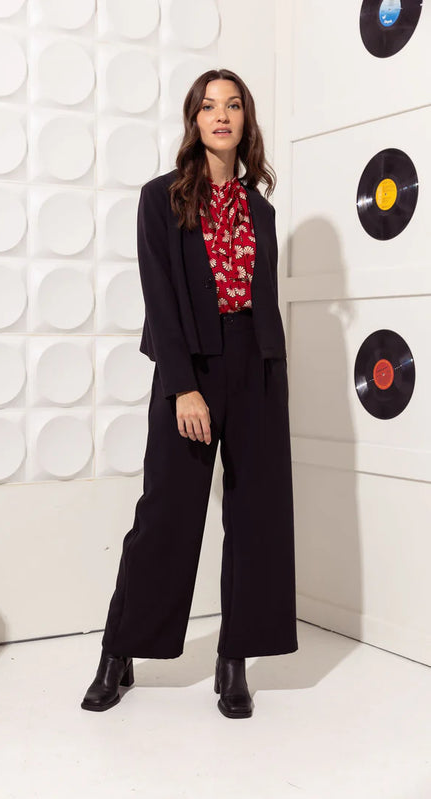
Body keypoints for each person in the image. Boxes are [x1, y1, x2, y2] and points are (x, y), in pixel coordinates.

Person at [81, 68, 298, 719]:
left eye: (233, 106)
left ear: (245, 121)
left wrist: (268, 369)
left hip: (256, 367)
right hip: (191, 369)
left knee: (257, 519)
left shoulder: (261, 209)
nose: (221, 115)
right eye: (209, 106)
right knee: (167, 517)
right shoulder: (162, 198)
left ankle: (232, 662)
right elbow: (161, 298)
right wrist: (182, 386)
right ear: (193, 120)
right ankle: (118, 654)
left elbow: (260, 296)